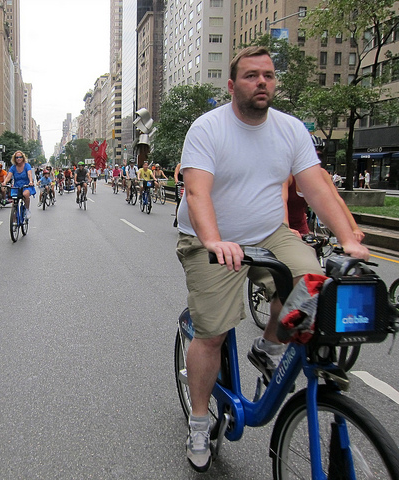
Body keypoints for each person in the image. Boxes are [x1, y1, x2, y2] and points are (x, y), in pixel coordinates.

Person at [175, 46, 369, 472]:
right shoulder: (208, 128)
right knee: (213, 332)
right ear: (232, 85)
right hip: (212, 240)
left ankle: (267, 345)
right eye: (250, 76)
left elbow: (316, 186)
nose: (261, 82)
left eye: (267, 75)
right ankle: (199, 418)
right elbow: (197, 192)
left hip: (268, 233)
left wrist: (348, 239)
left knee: (313, 282)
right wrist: (214, 241)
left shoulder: (290, 129)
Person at [2, 150, 34, 219]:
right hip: (17, 187)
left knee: (25, 194)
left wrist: (30, 181)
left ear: (23, 158)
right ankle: (14, 221)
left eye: (20, 157)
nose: (18, 159)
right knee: (14, 203)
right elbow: (9, 176)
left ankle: (27, 210)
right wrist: (4, 182)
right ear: (14, 159)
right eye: (17, 157)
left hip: (26, 186)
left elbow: (29, 174)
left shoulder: (27, 165)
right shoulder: (13, 167)